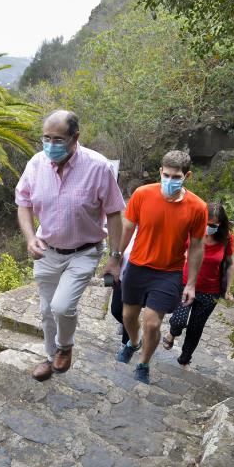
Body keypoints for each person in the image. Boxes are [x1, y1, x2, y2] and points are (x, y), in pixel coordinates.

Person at [15, 110, 125, 382]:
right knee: (46, 310)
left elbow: (114, 212)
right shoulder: (36, 164)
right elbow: (23, 203)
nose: (51, 145)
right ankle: (51, 358)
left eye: (58, 139)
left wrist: (114, 257)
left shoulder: (98, 167)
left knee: (62, 307)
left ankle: (66, 346)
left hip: (84, 252)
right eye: (46, 138)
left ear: (75, 137)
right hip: (47, 250)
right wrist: (30, 238)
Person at [114, 150, 208, 384]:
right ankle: (133, 343)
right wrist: (115, 258)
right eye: (166, 175)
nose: (170, 180)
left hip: (168, 273)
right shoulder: (142, 194)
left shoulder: (197, 207)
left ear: (187, 175)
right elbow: (128, 228)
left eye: (176, 177)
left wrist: (192, 284)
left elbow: (197, 247)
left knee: (153, 322)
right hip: (137, 266)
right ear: (160, 171)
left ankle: (144, 363)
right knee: (127, 316)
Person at [163, 203, 234, 366]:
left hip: (211, 291)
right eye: (206, 223)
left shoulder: (226, 238)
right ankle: (172, 333)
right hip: (186, 284)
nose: (209, 227)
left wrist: (228, 289)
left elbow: (230, 263)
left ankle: (185, 357)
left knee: (196, 327)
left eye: (213, 225)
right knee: (178, 320)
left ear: (220, 224)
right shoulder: (192, 231)